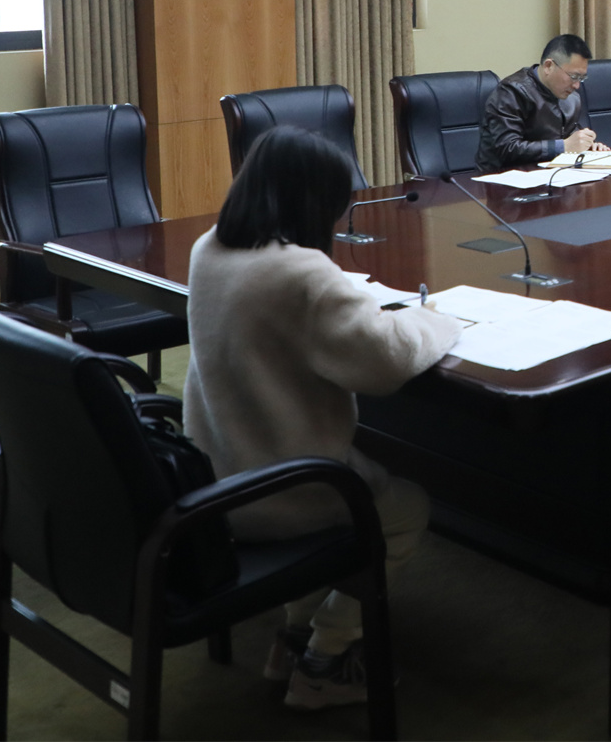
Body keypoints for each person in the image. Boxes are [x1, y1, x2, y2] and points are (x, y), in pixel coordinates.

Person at [183, 126, 460, 711]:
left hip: (214, 477)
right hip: (282, 489)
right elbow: (387, 360)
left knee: (351, 496)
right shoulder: (302, 273)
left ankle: (292, 636)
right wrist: (437, 318)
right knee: (406, 510)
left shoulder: (209, 248)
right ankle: (325, 657)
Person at [477, 34, 599, 170]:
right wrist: (564, 146)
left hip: (553, 174)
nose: (577, 85)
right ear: (548, 66)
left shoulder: (571, 98)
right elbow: (507, 147)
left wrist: (587, 144)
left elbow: (569, 136)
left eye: (581, 78)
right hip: (503, 178)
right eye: (573, 76)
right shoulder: (512, 91)